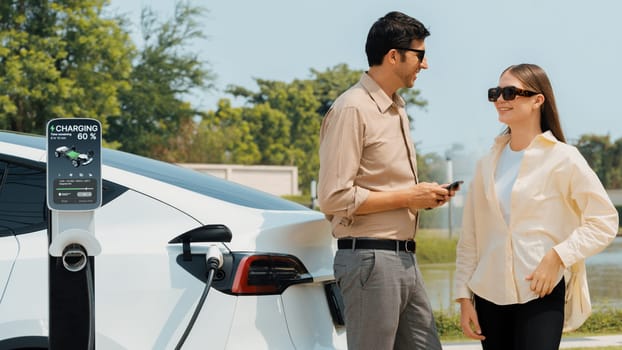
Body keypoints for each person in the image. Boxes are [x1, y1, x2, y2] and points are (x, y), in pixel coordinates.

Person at [454, 63, 619, 350]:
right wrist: (464, 297)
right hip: (488, 295)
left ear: (537, 100)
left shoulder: (564, 159)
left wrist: (558, 256)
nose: (501, 100)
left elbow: (603, 221)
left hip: (541, 292)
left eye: (510, 92)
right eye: (496, 93)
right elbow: (470, 238)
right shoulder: (485, 165)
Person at [318, 11, 455, 350]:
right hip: (370, 260)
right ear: (394, 56)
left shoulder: (397, 108)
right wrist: (409, 197)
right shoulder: (352, 109)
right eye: (419, 55)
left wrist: (422, 197)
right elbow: (333, 198)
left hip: (404, 258)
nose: (424, 65)